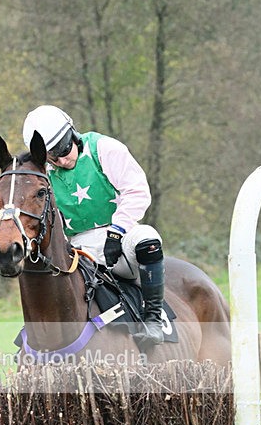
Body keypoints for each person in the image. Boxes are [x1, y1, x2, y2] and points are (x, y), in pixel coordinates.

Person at [22, 105, 165, 347]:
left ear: (73, 132)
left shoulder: (105, 148)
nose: (61, 160)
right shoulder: (43, 173)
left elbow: (137, 191)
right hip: (77, 247)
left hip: (121, 234)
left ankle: (153, 320)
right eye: (52, 157)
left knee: (148, 239)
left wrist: (117, 231)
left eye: (63, 149)